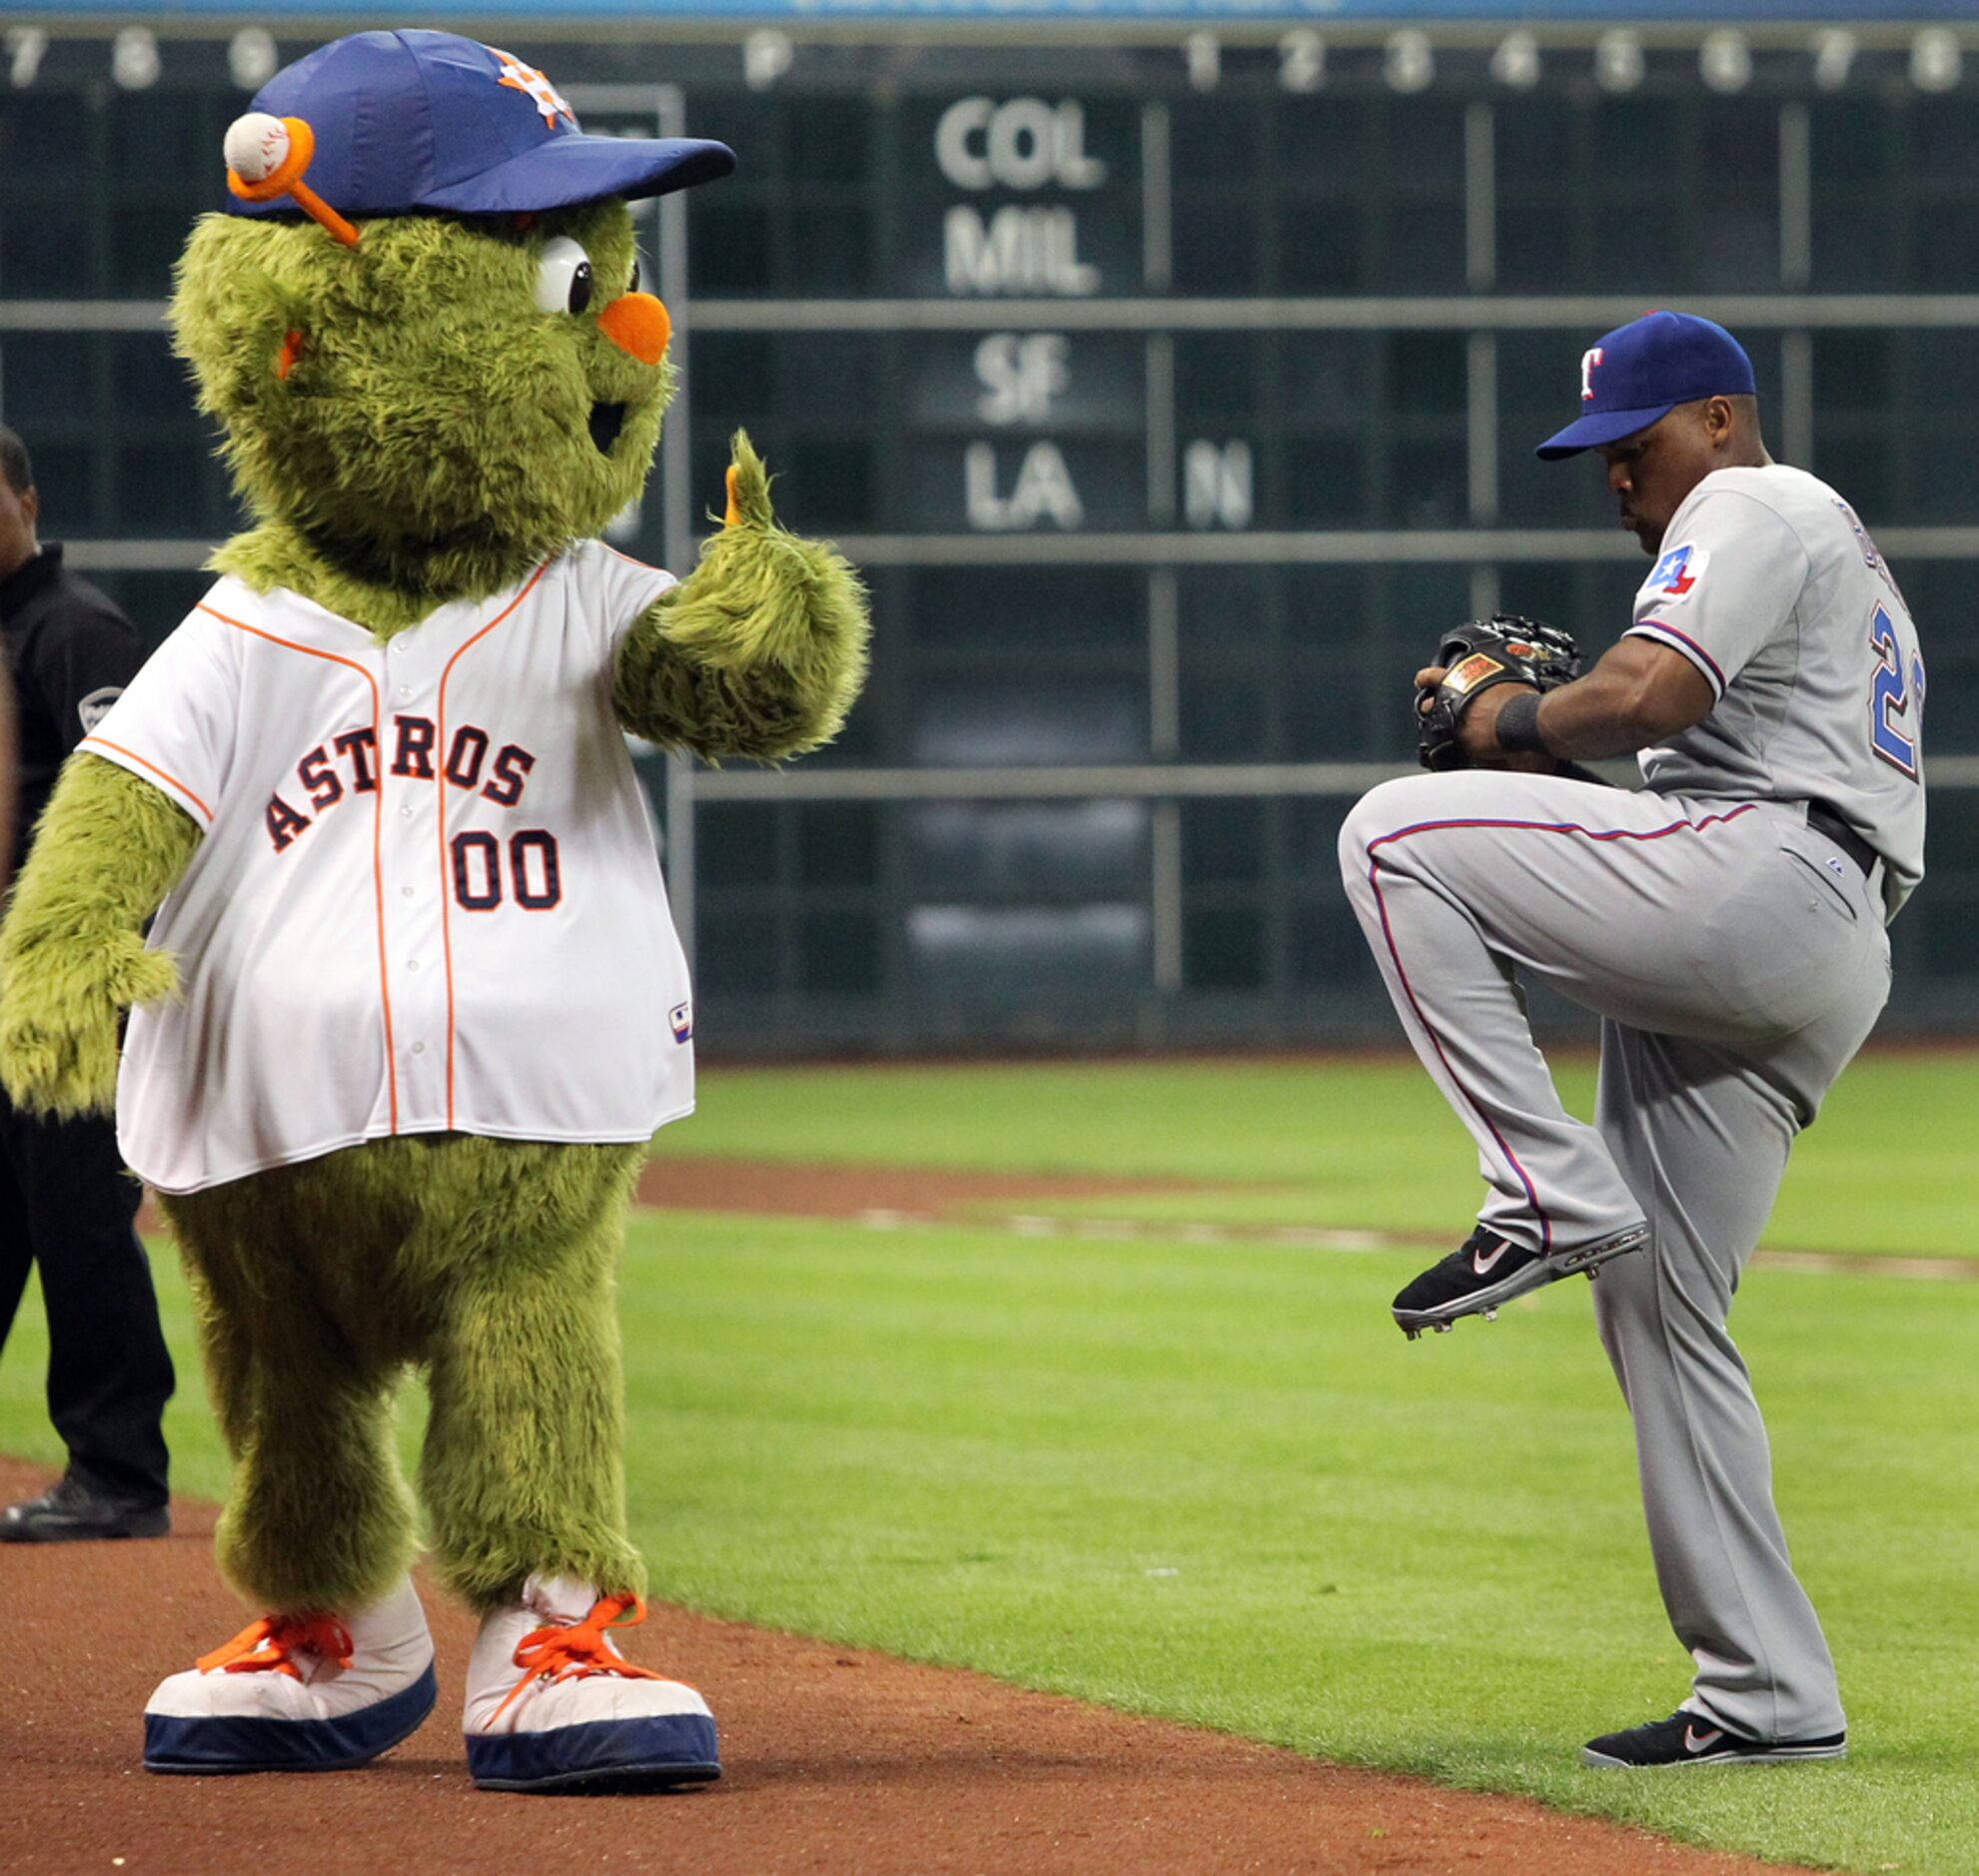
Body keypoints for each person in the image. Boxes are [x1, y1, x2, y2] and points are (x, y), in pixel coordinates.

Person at [1338, 312, 1923, 1768]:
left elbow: (1649, 696)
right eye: (1598, 453)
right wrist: (1534, 724)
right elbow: (1669, 718)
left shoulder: (1753, 498)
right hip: (1816, 931)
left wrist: (1503, 721)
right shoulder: (1806, 538)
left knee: (1390, 834)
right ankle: (1765, 1694)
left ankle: (1538, 1185)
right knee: (1658, 1301)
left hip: (1764, 875)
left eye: (1635, 440)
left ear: (1718, 418)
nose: (1615, 473)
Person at [0, 423, 175, 1542]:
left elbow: (131, 819)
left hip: (61, 999)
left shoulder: (78, 631)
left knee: (79, 1227)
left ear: (22, 497)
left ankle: (117, 1472)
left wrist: (97, 978)